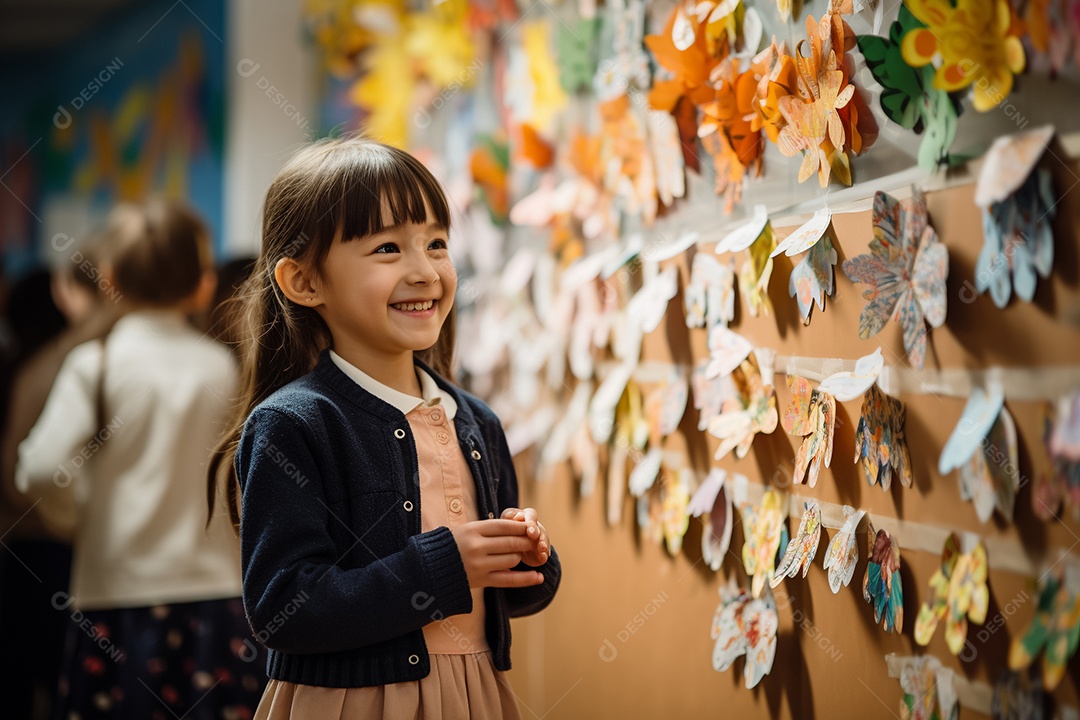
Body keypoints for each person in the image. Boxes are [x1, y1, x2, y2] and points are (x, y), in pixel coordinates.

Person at [206, 136, 561, 719]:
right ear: (304, 282)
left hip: (473, 695)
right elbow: (282, 609)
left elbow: (503, 599)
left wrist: (526, 560)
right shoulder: (294, 424)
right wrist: (447, 564)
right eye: (389, 248)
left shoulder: (476, 421)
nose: (424, 271)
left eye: (436, 243)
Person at [16, 199, 264, 719]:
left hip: (113, 597)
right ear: (202, 284)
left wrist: (77, 518)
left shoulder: (96, 364)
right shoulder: (222, 366)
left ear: (108, 279)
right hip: (216, 599)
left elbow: (40, 468)